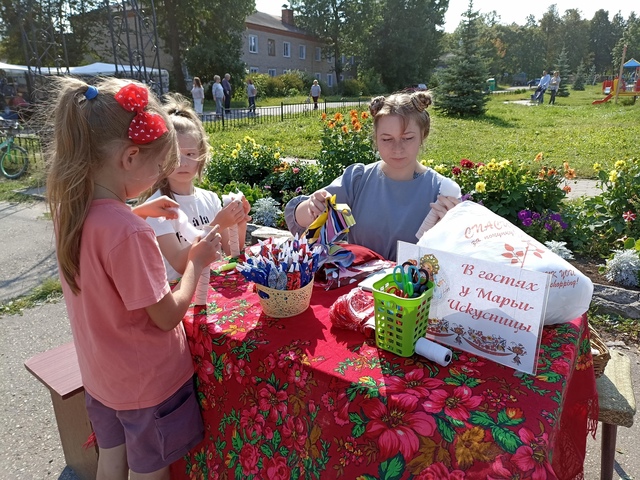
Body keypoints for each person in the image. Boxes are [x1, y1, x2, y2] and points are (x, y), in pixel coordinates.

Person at [45, 77, 223, 479]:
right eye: (160, 165)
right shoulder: (129, 233)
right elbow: (164, 316)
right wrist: (196, 260)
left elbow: (103, 244)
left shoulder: (70, 211)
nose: (164, 173)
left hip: (102, 378)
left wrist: (137, 213)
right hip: (147, 385)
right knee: (149, 472)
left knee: (111, 460)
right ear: (129, 158)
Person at [285, 91, 460, 260]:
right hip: (358, 288)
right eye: (386, 139)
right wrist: (312, 206)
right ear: (375, 138)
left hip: (414, 288)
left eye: (407, 138)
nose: (397, 148)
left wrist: (452, 229)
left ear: (423, 135)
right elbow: (300, 223)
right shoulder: (358, 179)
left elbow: (456, 259)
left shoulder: (441, 192)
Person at [143, 94, 251, 281]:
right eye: (173, 154)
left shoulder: (209, 198)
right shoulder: (157, 207)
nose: (182, 163)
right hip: (178, 297)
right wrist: (217, 225)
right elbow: (179, 263)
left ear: (202, 154)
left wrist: (239, 223)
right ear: (159, 157)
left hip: (211, 292)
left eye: (190, 153)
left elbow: (230, 250)